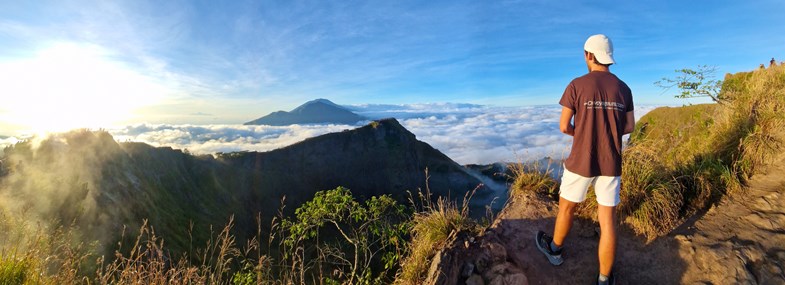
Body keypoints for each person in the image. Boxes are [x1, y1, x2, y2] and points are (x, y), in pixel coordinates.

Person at [535, 34, 635, 285]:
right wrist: (607, 132)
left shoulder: (577, 85)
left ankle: (555, 250)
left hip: (581, 159)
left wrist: (583, 133)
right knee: (607, 220)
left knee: (567, 207)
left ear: (589, 55)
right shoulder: (624, 88)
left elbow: (563, 126)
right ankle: (604, 279)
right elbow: (629, 126)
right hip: (611, 162)